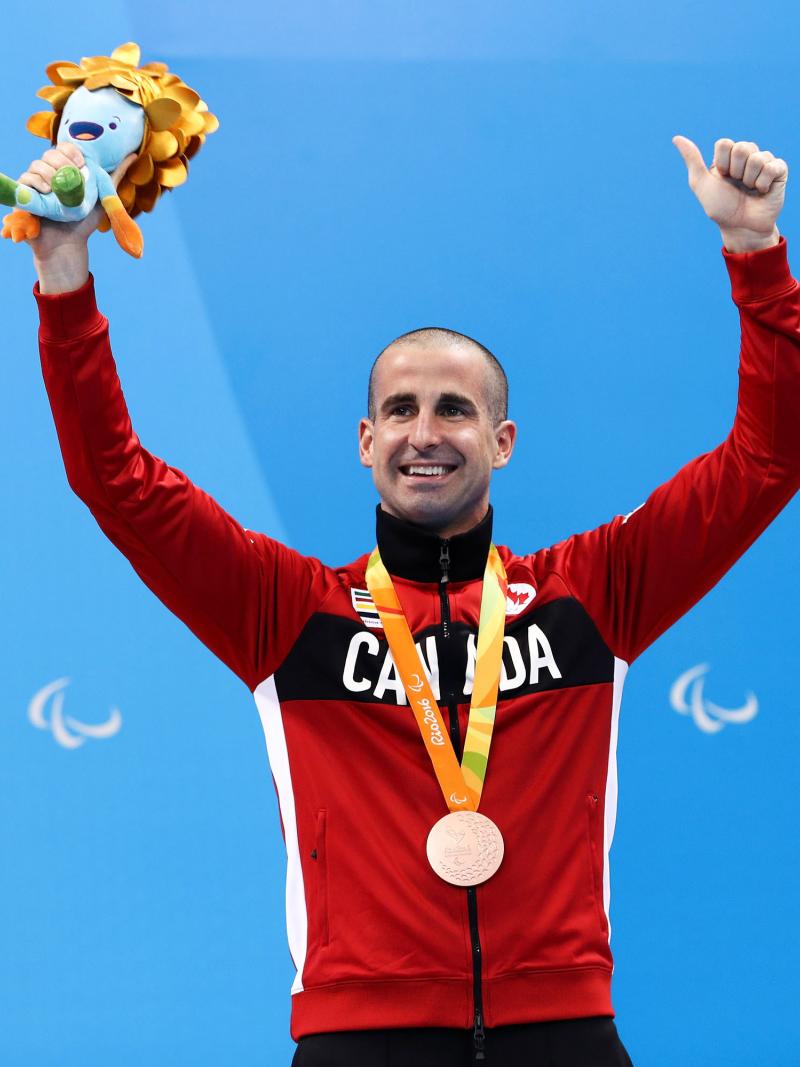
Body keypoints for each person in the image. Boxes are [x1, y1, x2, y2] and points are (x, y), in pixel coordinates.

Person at [15, 132, 798, 1067]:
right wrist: (62, 271)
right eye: (400, 410)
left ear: (502, 440)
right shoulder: (287, 611)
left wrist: (756, 253)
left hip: (564, 1033)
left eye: (455, 409)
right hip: (359, 1038)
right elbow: (116, 480)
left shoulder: (591, 593)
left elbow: (769, 458)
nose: (425, 433)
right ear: (365, 440)